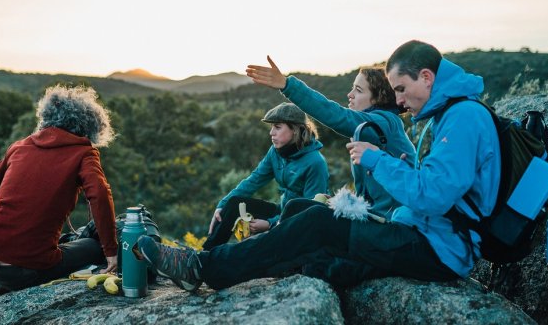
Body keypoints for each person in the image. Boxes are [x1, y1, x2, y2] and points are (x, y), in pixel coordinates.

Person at [135, 40, 500, 292]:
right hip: (425, 234)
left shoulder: (459, 118)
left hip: (439, 248)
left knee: (316, 223)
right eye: (394, 92)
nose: (401, 101)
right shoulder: (449, 115)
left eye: (401, 89)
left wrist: (376, 160)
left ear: (427, 77)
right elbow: (435, 191)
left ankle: (203, 267)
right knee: (309, 229)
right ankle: (221, 265)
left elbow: (433, 195)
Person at [0, 85, 119, 303]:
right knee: (92, 246)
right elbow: (99, 193)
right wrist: (110, 251)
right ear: (91, 127)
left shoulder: (21, 145)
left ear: (46, 116)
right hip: (24, 271)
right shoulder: (84, 152)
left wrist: (17, 157)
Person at [246, 56, 415, 220]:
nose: (350, 94)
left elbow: (337, 116)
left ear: (379, 97)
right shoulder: (366, 131)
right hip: (377, 218)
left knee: (303, 215)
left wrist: (287, 85)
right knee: (300, 209)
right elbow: (369, 198)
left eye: (358, 90)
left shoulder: (385, 123)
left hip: (393, 223)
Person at [203, 102, 329, 250]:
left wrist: (271, 224)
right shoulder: (276, 151)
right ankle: (204, 256)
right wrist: (221, 206)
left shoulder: (315, 163)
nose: (271, 133)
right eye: (271, 127)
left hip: (297, 223)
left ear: (295, 129)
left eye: (277, 127)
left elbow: (308, 212)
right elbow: (253, 180)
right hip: (281, 210)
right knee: (232, 204)